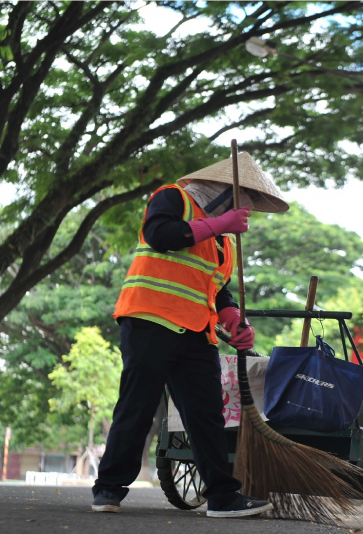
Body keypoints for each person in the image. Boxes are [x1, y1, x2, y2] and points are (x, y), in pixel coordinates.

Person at [91, 152, 289, 518]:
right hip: (150, 320)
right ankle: (108, 489)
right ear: (223, 190)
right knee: (137, 407)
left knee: (206, 415)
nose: (245, 208)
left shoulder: (225, 243)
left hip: (197, 333)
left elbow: (218, 288)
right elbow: (160, 235)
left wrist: (233, 320)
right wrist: (219, 224)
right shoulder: (174, 198)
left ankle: (222, 497)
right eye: (243, 199)